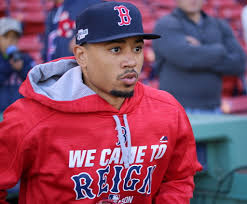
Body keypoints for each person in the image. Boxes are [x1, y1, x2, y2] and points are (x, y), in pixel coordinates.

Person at [0, 2, 202, 203]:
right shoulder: (30, 117)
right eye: (115, 49)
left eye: (137, 48)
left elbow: (179, 177)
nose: (131, 61)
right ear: (82, 56)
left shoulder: (167, 109)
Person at [152, 0, 246, 113]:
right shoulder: (165, 25)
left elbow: (239, 63)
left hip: (214, 108)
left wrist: (200, 50)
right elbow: (187, 58)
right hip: (176, 109)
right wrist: (219, 49)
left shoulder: (219, 25)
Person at [0, 17, 35, 112]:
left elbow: (35, 82)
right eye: (6, 37)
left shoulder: (25, 59)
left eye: (15, 37)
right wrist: (9, 66)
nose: (11, 41)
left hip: (20, 112)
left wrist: (22, 68)